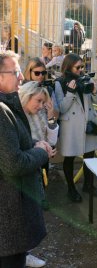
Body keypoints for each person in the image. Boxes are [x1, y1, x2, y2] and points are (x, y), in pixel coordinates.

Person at [0, 51, 54, 268]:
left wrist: (34, 145)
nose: (22, 77)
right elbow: (13, 163)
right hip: (8, 215)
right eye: (16, 71)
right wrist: (41, 152)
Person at [18, 81, 59, 267]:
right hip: (24, 167)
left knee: (31, 211)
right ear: (27, 96)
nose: (41, 105)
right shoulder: (14, 117)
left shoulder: (40, 112)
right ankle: (21, 254)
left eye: (44, 102)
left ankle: (24, 253)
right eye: (39, 101)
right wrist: (39, 147)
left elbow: (52, 139)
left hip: (38, 164)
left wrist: (51, 117)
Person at [54, 53, 97, 203]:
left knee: (90, 156)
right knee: (69, 157)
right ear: (68, 67)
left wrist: (94, 90)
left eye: (82, 66)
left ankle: (88, 185)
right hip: (72, 126)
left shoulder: (87, 79)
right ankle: (71, 188)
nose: (81, 70)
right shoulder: (59, 83)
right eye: (78, 67)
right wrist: (70, 92)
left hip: (88, 123)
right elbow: (61, 108)